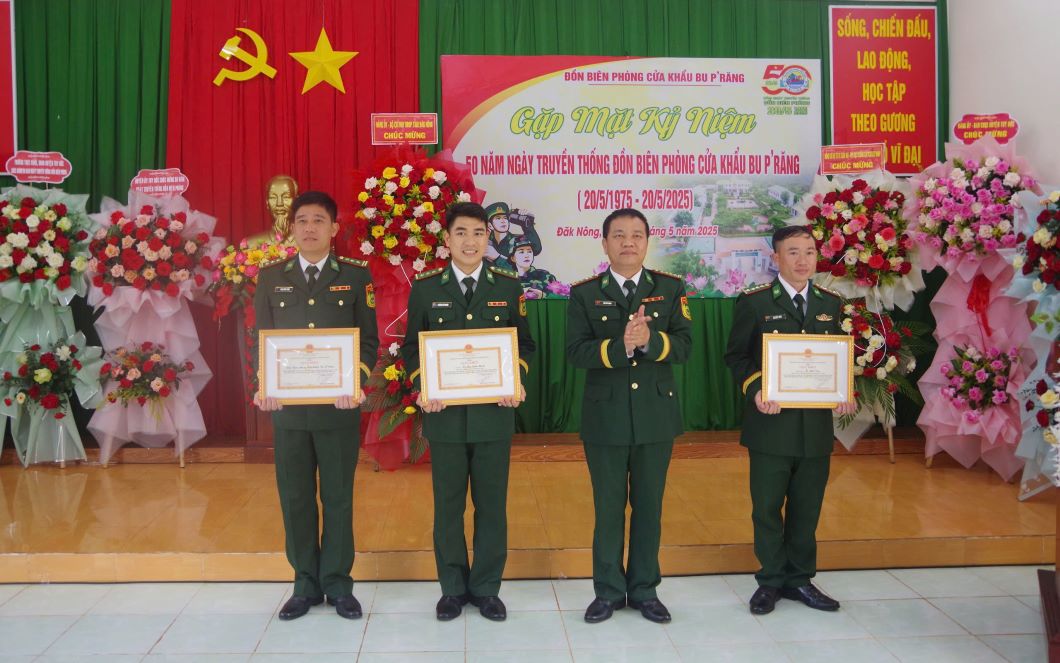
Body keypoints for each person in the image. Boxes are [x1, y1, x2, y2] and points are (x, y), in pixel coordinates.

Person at [401, 201, 536, 623]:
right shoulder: (426, 288)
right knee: (448, 507)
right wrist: (424, 385)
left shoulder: (508, 286)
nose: (470, 241)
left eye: (478, 233)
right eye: (461, 232)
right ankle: (452, 590)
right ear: (447, 240)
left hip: (493, 416)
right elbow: (411, 347)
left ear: (488, 238)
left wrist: (515, 378)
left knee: (492, 506)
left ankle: (487, 589)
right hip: (445, 418)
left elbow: (525, 346)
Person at [253, 190, 379, 621]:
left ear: (334, 229)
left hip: (339, 408)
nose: (309, 228)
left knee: (339, 497)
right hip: (288, 411)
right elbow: (262, 339)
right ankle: (304, 584)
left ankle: (339, 585)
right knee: (296, 497)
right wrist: (264, 383)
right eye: (302, 220)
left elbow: (369, 341)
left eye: (319, 221)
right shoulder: (271, 277)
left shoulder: (356, 277)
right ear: (292, 227)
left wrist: (357, 381)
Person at [565, 208, 692, 624]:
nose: (628, 242)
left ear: (647, 241)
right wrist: (619, 346)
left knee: (649, 507)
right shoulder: (584, 293)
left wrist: (651, 340)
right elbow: (576, 352)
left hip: (655, 416)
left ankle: (644, 590)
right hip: (606, 419)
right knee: (608, 508)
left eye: (636, 235)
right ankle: (606, 591)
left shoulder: (671, 288)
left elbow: (686, 346)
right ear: (604, 244)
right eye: (618, 235)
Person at [723, 225, 857, 616]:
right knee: (766, 507)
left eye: (810, 252)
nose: (803, 260)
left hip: (814, 428)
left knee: (807, 507)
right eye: (793, 252)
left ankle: (800, 580)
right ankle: (769, 581)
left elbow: (838, 360)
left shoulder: (831, 304)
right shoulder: (754, 302)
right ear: (776, 258)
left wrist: (843, 391)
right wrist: (757, 389)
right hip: (770, 425)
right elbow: (736, 357)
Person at [484, 202, 540, 271]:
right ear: (490, 225)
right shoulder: (486, 241)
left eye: (505, 218)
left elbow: (537, 249)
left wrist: (528, 226)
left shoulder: (517, 241)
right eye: (498, 218)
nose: (503, 221)